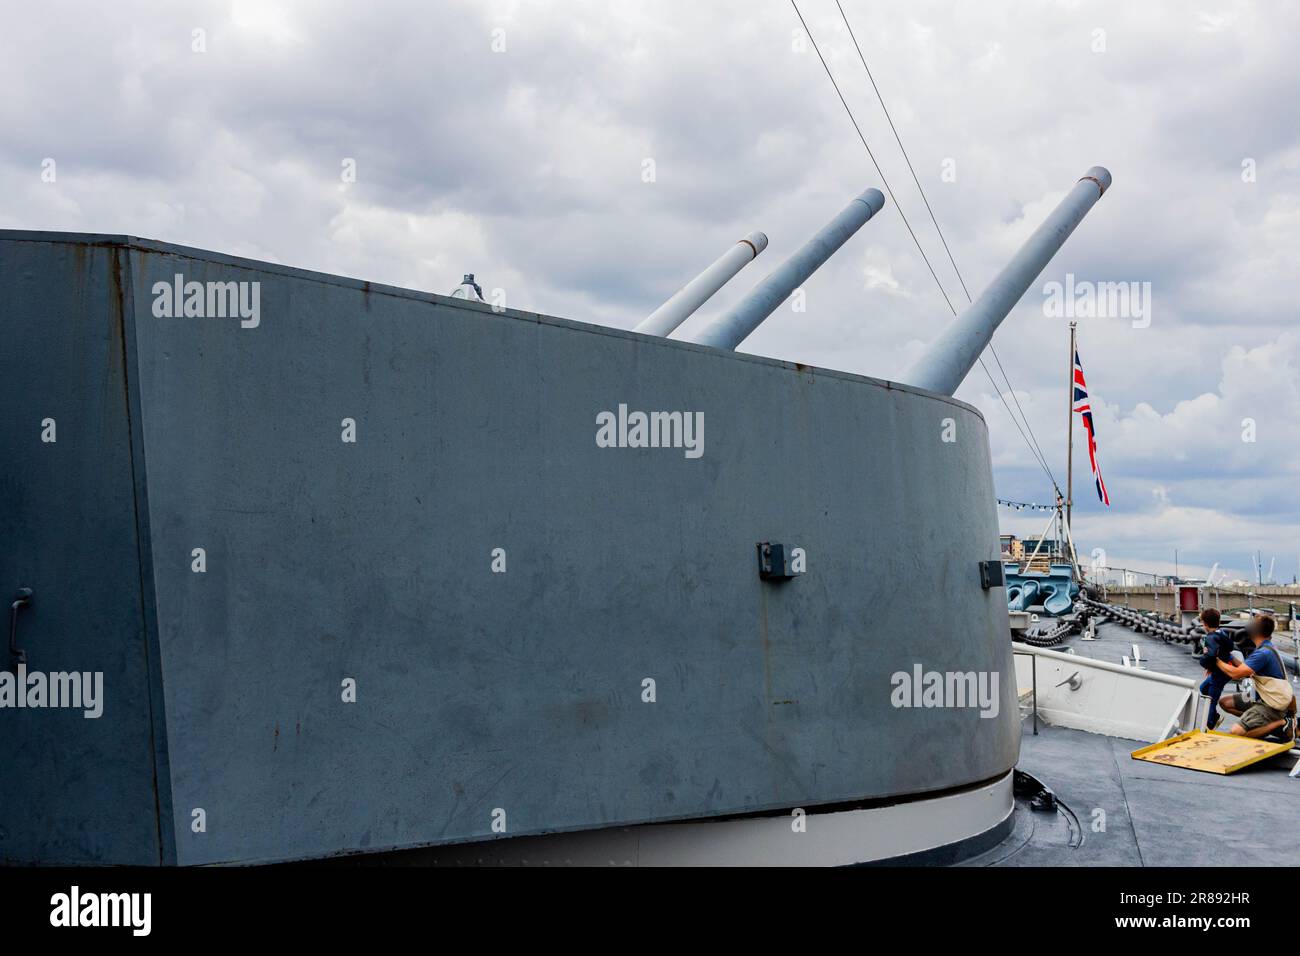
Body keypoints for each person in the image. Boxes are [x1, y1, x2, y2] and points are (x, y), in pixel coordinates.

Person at [1216, 615, 1296, 741]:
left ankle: (1281, 723)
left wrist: (1216, 661)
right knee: (1225, 703)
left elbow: (1236, 674)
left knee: (1236, 732)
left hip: (1272, 704)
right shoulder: (1266, 647)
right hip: (1263, 697)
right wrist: (1229, 657)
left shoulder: (1263, 653)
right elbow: (1246, 669)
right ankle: (1258, 721)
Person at [1195, 608, 1233, 729]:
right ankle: (1214, 716)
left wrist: (1204, 660)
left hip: (1219, 673)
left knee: (1211, 700)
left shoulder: (1210, 637)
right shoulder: (1222, 633)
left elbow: (1211, 655)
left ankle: (1209, 724)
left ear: (1205, 624)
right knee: (1203, 688)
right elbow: (1230, 646)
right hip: (1225, 671)